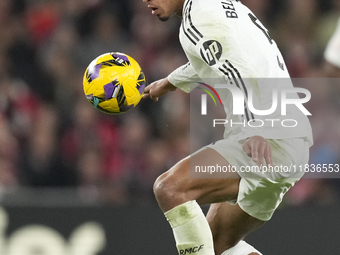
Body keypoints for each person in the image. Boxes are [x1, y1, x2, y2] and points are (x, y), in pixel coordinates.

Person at [142, 0, 313, 254]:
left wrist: (256, 127)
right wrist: (170, 81)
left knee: (170, 188)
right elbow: (222, 56)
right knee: (215, 245)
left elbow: (236, 67)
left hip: (268, 137)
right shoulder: (219, 5)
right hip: (291, 136)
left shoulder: (196, 18)